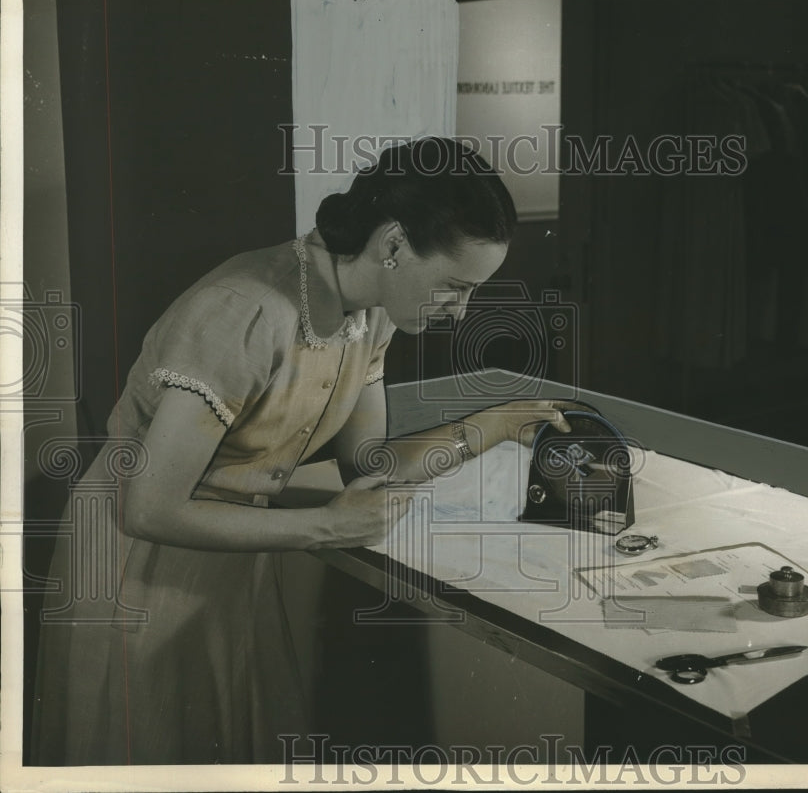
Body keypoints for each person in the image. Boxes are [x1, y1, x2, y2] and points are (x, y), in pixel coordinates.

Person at [31, 137, 571, 765]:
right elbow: (146, 508)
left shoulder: (370, 314)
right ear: (393, 244)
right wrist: (323, 525)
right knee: (146, 748)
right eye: (454, 286)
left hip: (233, 559)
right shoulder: (245, 312)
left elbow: (368, 465)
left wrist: (498, 424)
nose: (462, 309)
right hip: (136, 565)